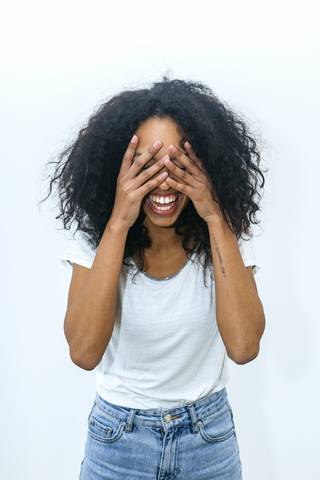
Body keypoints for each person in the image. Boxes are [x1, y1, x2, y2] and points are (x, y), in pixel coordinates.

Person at [47, 78, 265, 479]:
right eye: (146, 165)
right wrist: (118, 222)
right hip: (118, 444)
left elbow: (244, 346)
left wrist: (215, 216)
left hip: (209, 440)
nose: (163, 181)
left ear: (204, 165)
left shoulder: (226, 232)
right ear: (119, 167)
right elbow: (83, 353)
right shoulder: (95, 235)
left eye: (177, 165)